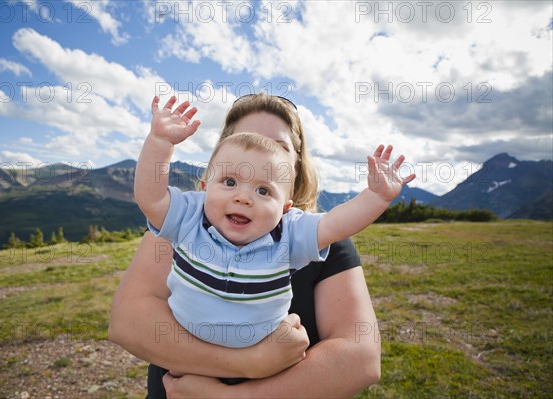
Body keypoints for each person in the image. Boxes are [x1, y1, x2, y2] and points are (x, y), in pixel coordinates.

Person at [109, 93, 407, 398]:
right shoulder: (186, 221)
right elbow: (127, 321)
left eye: (276, 148)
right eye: (245, 143)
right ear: (206, 183)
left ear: (288, 200)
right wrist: (161, 141)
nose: (244, 195)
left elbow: (361, 359)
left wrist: (376, 197)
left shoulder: (296, 236)